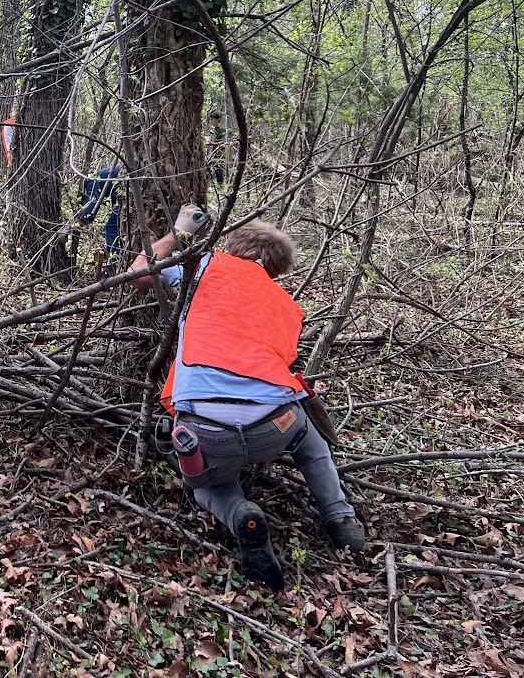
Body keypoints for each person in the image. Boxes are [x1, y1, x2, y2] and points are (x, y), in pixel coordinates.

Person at [130, 205, 364, 591]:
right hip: (275, 425)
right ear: (274, 268)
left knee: (208, 487)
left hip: (204, 428)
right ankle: (341, 520)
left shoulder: (203, 267)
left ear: (236, 247)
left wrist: (180, 231)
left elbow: (139, 271)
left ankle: (239, 511)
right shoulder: (287, 306)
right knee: (312, 443)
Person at [74, 163, 122, 275]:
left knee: (111, 228)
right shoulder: (104, 175)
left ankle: (112, 272)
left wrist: (72, 225)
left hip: (131, 191)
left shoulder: (93, 180)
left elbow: (89, 211)